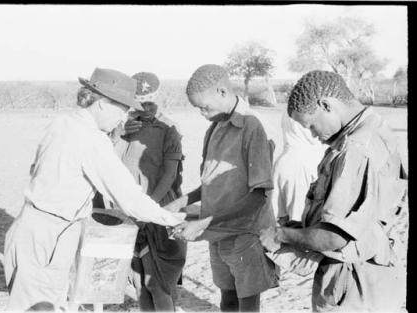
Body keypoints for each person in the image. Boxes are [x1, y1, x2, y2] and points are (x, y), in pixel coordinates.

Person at [3, 68, 185, 311]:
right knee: (39, 306)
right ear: (102, 104)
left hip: (36, 228)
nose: (122, 119)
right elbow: (129, 198)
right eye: (122, 110)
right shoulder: (92, 139)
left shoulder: (63, 122)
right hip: (50, 233)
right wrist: (171, 218)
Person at [259, 70, 407, 311]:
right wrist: (302, 229)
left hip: (354, 284)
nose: (314, 135)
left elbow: (334, 238)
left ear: (326, 105)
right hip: (373, 277)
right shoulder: (372, 128)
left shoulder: (356, 149)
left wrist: (280, 235)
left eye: (312, 125)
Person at [167, 64, 279, 312]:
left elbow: (258, 197)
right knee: (227, 298)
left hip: (245, 234)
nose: (202, 114)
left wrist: (203, 223)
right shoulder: (214, 127)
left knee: (247, 302)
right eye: (198, 109)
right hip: (217, 232)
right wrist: (181, 201)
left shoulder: (252, 127)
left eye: (204, 107)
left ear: (221, 91)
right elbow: (210, 183)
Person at [111, 72, 187, 311]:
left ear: (158, 96)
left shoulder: (169, 128)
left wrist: (146, 210)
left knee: (159, 285)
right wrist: (119, 133)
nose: (145, 106)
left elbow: (169, 175)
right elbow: (108, 164)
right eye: (139, 100)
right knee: (139, 284)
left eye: (150, 99)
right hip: (127, 212)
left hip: (158, 210)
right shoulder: (121, 125)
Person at [271, 113, 326, 226]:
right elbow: (315, 137)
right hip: (303, 164)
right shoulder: (310, 108)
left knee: (282, 219)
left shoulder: (291, 107)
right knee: (300, 221)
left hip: (285, 161)